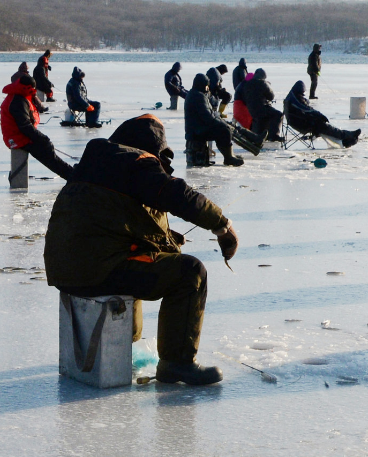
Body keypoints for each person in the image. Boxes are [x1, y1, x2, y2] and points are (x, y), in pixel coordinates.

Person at [43, 115, 240, 387]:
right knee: (189, 272)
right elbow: (176, 194)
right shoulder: (134, 162)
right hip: (97, 270)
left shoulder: (97, 162)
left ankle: (127, 346)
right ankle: (177, 364)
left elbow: (117, 221)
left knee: (139, 256)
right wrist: (222, 226)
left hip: (66, 270)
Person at [1, 71, 73, 180]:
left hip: (20, 135)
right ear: (27, 88)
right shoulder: (18, 101)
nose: (34, 92)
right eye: (32, 90)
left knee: (47, 148)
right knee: (45, 150)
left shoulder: (20, 95)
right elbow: (25, 127)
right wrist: (42, 138)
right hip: (17, 138)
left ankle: (71, 173)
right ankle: (72, 175)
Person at [185, 73, 243, 166]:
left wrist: (220, 121)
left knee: (225, 128)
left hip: (197, 129)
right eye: (207, 85)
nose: (208, 88)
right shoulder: (198, 96)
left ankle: (230, 155)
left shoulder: (195, 93)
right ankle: (229, 158)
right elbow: (208, 117)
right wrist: (221, 123)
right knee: (224, 131)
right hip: (197, 131)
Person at [286, 79, 361, 147]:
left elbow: (305, 108)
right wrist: (319, 115)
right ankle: (346, 136)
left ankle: (345, 140)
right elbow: (307, 109)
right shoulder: (296, 99)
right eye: (302, 92)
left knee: (323, 126)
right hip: (302, 125)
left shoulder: (291, 98)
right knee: (325, 127)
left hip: (298, 123)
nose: (303, 94)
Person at [238, 68, 283, 141]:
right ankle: (274, 136)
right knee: (278, 114)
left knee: (261, 117)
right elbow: (271, 96)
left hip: (251, 110)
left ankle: (259, 134)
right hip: (262, 109)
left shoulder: (247, 84)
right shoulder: (262, 83)